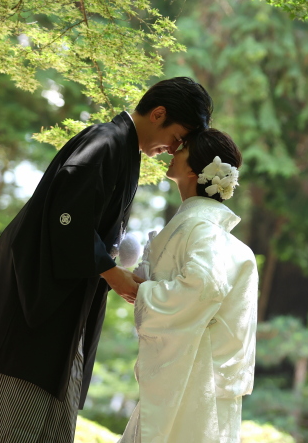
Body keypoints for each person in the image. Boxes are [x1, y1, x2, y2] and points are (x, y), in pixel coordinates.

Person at [0, 77, 213, 443]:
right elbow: (66, 216)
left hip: (59, 309)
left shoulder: (121, 149)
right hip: (29, 308)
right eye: (177, 137)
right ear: (158, 114)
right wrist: (112, 273)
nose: (173, 149)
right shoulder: (106, 142)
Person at [119, 129, 258, 443]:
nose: (172, 151)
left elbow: (204, 288)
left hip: (193, 380)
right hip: (197, 378)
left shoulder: (200, 226)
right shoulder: (211, 232)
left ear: (196, 170)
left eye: (181, 148)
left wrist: (141, 292)